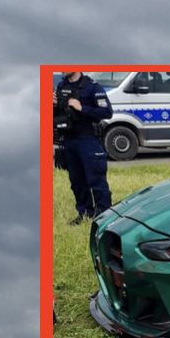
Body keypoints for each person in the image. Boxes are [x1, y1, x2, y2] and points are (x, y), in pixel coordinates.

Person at [53, 70, 113, 223]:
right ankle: (84, 213)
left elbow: (107, 112)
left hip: (87, 139)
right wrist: (53, 105)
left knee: (96, 180)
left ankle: (103, 216)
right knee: (77, 181)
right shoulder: (61, 86)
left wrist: (82, 108)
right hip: (68, 140)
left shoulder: (92, 87)